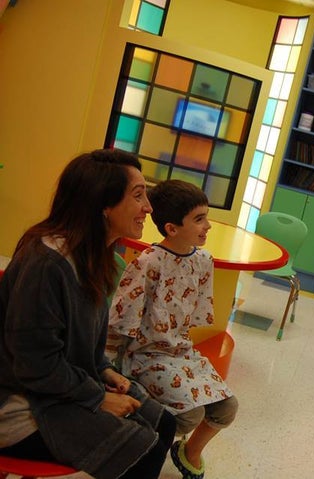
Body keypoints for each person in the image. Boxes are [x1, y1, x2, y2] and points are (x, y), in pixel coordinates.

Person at [0, 149, 176, 479]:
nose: (148, 208)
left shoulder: (96, 257)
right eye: (138, 196)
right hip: (18, 400)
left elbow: (82, 345)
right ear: (103, 206)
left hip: (57, 386)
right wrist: (97, 397)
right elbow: (35, 365)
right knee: (143, 448)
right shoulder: (47, 264)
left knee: (164, 422)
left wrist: (104, 372)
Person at [107, 179, 238, 479]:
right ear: (171, 228)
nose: (208, 226)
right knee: (189, 414)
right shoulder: (147, 263)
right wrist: (108, 370)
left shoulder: (204, 261)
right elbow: (120, 320)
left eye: (207, 217)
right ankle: (135, 445)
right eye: (199, 219)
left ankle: (189, 452)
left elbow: (191, 320)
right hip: (145, 358)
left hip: (181, 354)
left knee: (227, 407)